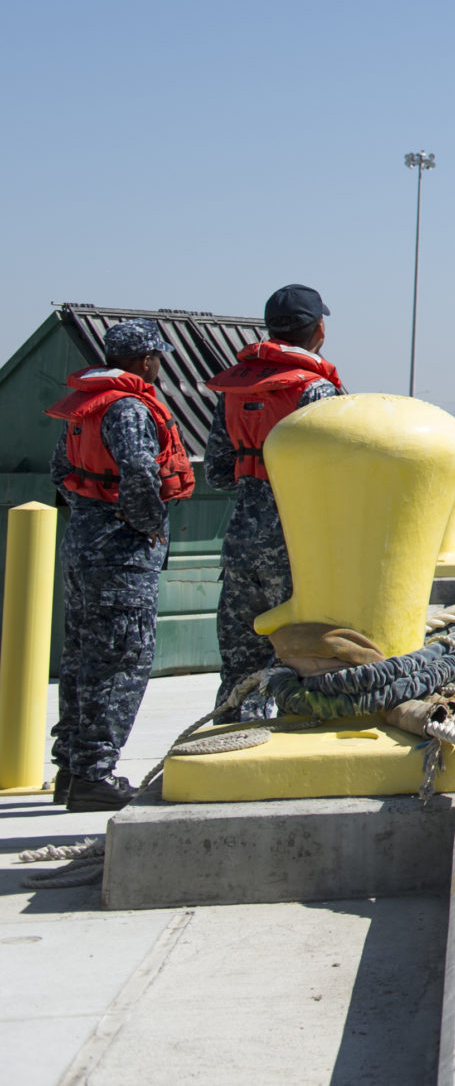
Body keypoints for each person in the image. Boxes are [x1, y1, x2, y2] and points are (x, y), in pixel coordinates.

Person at [43, 320, 195, 808]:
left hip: (83, 544)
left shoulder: (86, 407)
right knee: (122, 660)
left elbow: (60, 471)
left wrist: (90, 510)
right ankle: (94, 775)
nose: (159, 365)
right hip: (121, 554)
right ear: (144, 359)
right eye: (157, 357)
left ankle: (72, 768)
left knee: (84, 656)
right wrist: (149, 524)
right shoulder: (129, 407)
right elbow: (137, 470)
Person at [206, 287, 344, 707]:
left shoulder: (235, 389)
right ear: (319, 329)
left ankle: (225, 748)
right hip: (296, 549)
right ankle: (269, 742)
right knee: (294, 662)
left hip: (241, 546)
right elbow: (338, 481)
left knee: (239, 666)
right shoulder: (317, 392)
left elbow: (217, 473)